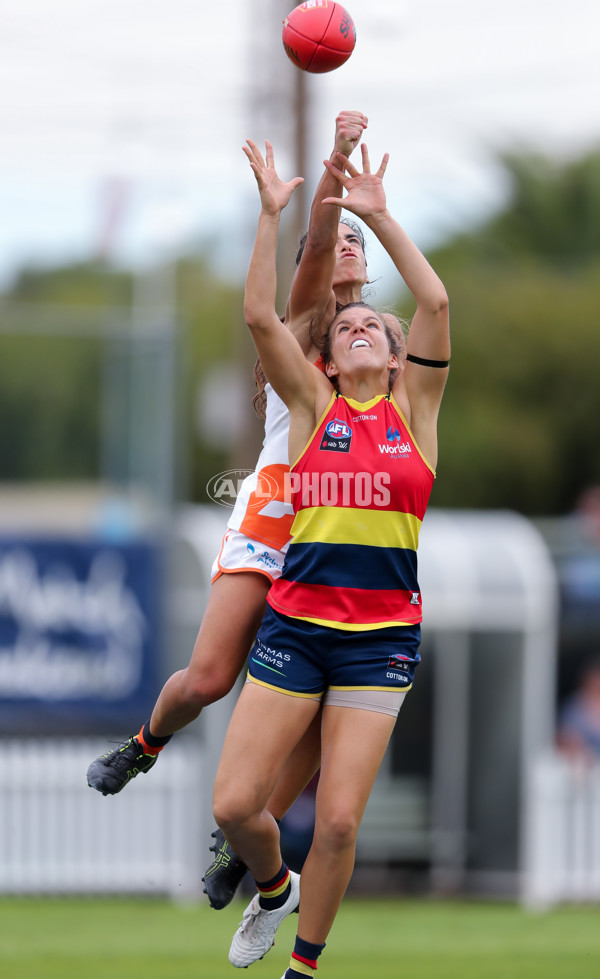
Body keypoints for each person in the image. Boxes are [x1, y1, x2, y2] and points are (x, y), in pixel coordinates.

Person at [86, 112, 373, 908]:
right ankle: (145, 743)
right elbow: (314, 251)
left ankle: (241, 845)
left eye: (361, 240)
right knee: (212, 675)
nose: (348, 246)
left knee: (311, 715)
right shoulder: (315, 325)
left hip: (345, 534)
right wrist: (337, 167)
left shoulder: (381, 342)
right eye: (343, 236)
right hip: (278, 514)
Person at [212, 138, 449, 977]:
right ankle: (273, 887)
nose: (352, 327)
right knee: (237, 806)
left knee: (341, 821)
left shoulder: (415, 413)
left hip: (378, 642)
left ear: (393, 355)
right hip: (298, 626)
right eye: (342, 326)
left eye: (368, 328)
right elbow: (259, 318)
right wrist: (274, 218)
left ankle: (303, 967)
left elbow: (434, 298)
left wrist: (379, 217)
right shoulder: (313, 404)